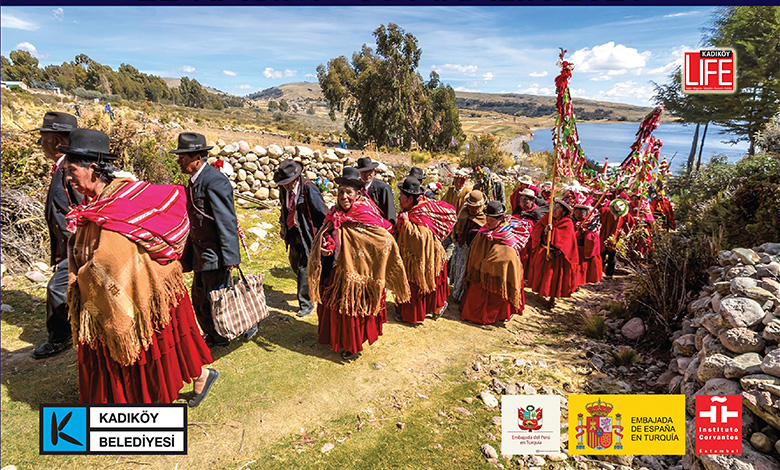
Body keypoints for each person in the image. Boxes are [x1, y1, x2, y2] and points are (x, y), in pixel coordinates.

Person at [61, 128, 217, 406]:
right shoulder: (95, 205)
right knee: (157, 344)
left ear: (94, 169)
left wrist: (86, 272)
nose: (68, 177)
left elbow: (115, 256)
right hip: (132, 291)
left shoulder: (126, 198)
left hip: (145, 290)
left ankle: (171, 389)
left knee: (155, 344)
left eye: (72, 170)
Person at [308, 167, 410, 360]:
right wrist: (325, 246)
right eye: (340, 192)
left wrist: (372, 262)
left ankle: (353, 346)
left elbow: (384, 238)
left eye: (349, 192)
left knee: (352, 309)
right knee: (333, 307)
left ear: (357, 193)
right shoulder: (334, 213)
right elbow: (327, 235)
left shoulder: (364, 212)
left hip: (357, 274)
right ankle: (336, 339)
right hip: (336, 269)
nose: (344, 196)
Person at [174, 132, 241, 347]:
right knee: (201, 299)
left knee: (215, 299)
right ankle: (214, 335)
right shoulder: (196, 181)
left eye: (182, 157)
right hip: (201, 254)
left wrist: (231, 258)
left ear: (197, 159)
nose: (179, 161)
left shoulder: (215, 181)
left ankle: (223, 335)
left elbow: (226, 221)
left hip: (215, 254)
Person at [32, 112, 82, 359]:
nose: (41, 143)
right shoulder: (62, 167)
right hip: (69, 245)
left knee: (56, 289)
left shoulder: (70, 169)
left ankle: (61, 337)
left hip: (75, 244)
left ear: (58, 139)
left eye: (44, 137)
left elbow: (81, 205)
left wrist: (74, 242)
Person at [395, 176, 457, 323]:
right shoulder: (409, 210)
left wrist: (407, 225)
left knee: (424, 284)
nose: (399, 198)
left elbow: (424, 236)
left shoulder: (420, 213)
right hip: (414, 256)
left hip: (427, 256)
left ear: (410, 199)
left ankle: (431, 310)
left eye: (401, 195)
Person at [274, 159, 329, 317]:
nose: (285, 185)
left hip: (307, 233)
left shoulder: (309, 189)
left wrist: (324, 234)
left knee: (304, 268)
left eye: (288, 182)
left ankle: (306, 303)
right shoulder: (284, 189)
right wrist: (283, 226)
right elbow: (284, 208)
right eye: (283, 183)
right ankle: (311, 289)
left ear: (296, 178)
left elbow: (323, 212)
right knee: (295, 263)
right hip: (293, 233)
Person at [460, 201, 529, 325]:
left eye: (492, 219)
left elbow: (509, 259)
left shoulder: (507, 237)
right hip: (480, 273)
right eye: (487, 217)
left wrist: (492, 261)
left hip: (497, 277)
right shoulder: (484, 231)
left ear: (501, 219)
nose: (488, 221)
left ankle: (496, 315)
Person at [527, 199, 579, 308]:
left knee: (554, 276)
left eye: (558, 208)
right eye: (554, 207)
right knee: (543, 274)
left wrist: (553, 233)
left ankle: (552, 298)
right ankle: (542, 291)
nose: (554, 210)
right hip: (544, 250)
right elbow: (537, 229)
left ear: (564, 212)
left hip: (557, 255)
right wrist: (544, 231)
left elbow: (566, 240)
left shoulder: (567, 223)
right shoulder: (548, 218)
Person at [450, 190, 487, 301]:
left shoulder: (484, 219)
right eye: (470, 206)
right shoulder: (464, 212)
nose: (471, 209)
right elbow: (457, 226)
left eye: (474, 207)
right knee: (458, 271)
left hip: (473, 252)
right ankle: (456, 291)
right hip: (461, 247)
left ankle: (461, 296)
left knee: (466, 274)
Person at [356, 156, 396, 226]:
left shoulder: (383, 189)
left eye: (370, 171)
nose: (367, 175)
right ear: (360, 172)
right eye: (364, 172)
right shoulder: (356, 188)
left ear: (374, 172)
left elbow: (390, 212)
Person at [572, 204, 603, 285]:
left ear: (586, 214)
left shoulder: (591, 223)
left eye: (581, 212)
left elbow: (594, 236)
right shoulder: (570, 221)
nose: (578, 214)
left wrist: (585, 232)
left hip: (583, 249)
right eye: (576, 212)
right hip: (572, 248)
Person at [599, 198, 629, 278]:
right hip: (604, 236)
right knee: (602, 254)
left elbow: (628, 226)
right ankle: (600, 272)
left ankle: (609, 273)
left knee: (612, 256)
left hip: (616, 238)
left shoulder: (624, 216)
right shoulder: (604, 211)